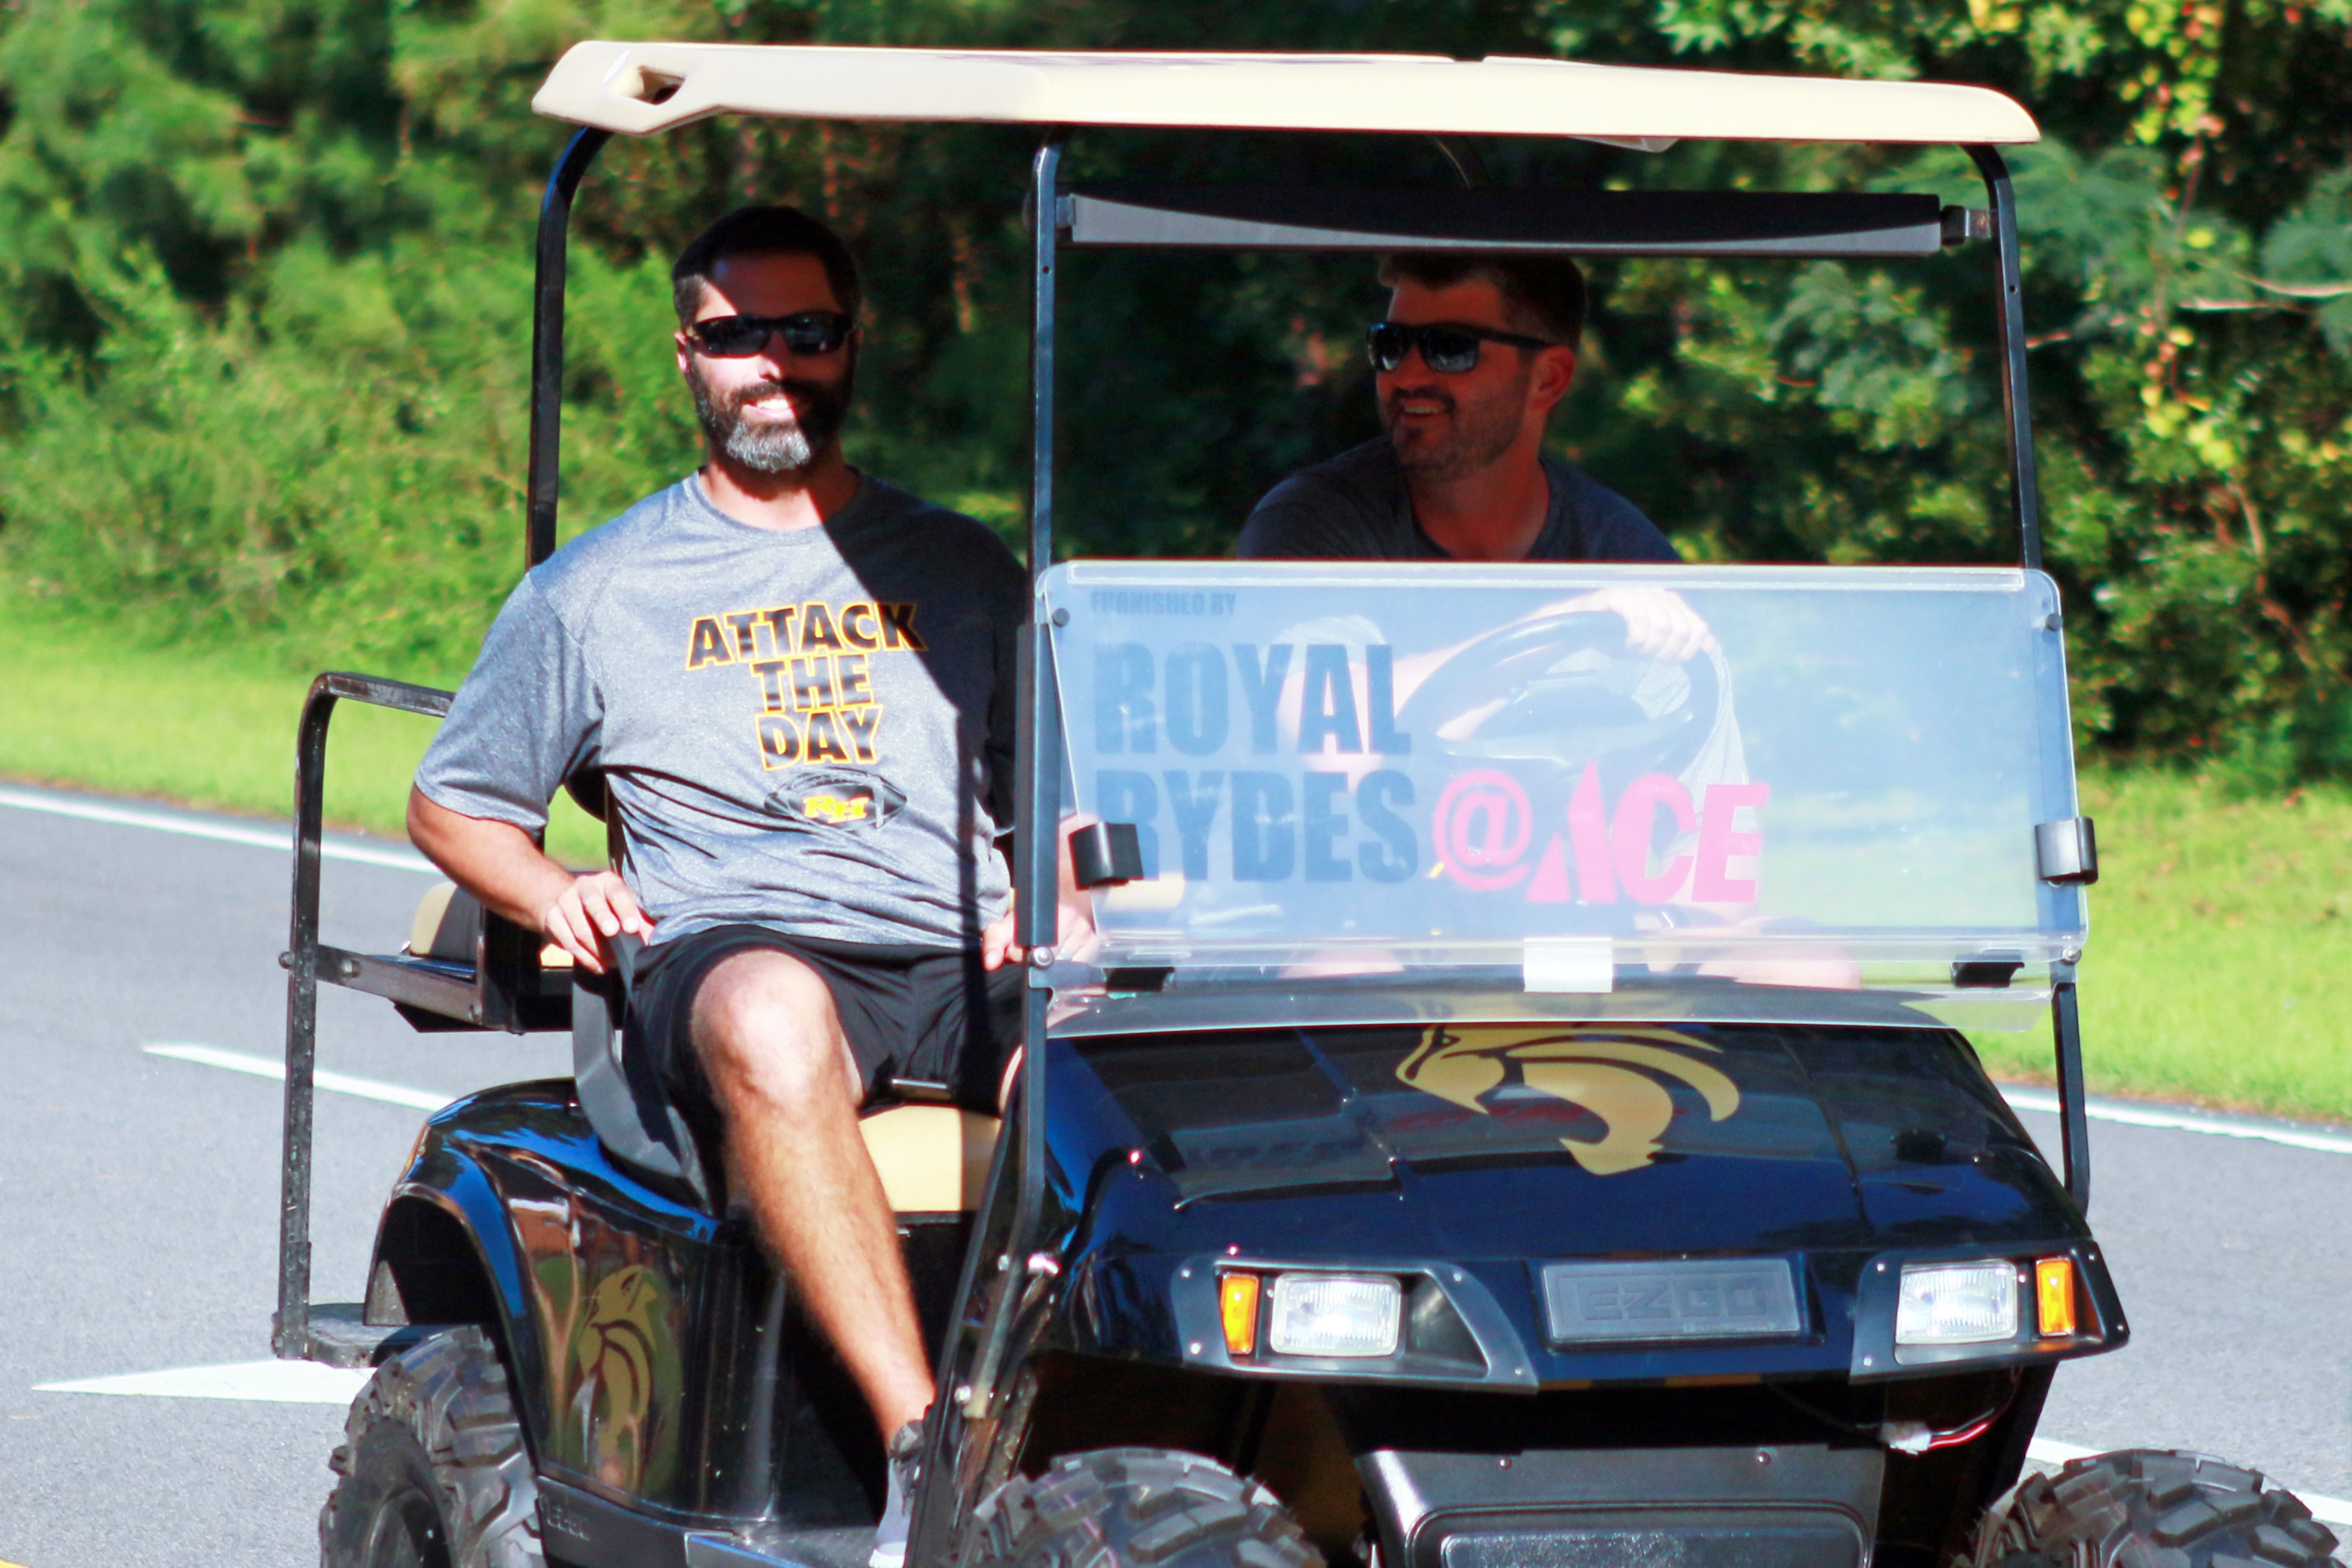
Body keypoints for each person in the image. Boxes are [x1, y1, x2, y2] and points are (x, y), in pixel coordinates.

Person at [406, 205, 1078, 1568]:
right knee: (776, 1015)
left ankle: (1122, 1414)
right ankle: (929, 1459)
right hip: (738, 949)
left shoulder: (959, 566)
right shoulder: (597, 589)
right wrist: (549, 892)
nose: (774, 362)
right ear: (688, 357)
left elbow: (1061, 794)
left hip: (954, 944)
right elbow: (453, 801)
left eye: (806, 332)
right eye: (737, 335)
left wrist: (1063, 901)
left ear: (849, 348)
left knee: (1108, 1047)